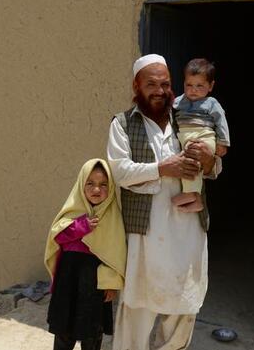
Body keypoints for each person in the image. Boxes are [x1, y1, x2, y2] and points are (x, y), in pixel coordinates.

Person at [107, 54, 220, 350]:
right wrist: (161, 168)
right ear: (136, 85)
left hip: (187, 231)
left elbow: (214, 167)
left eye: (165, 84)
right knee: (138, 307)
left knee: (183, 306)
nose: (159, 90)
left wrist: (209, 161)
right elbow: (119, 172)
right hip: (145, 233)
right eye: (151, 84)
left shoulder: (186, 115)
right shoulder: (122, 124)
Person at [45, 159, 127, 350]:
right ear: (81, 185)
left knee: (92, 332)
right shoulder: (72, 212)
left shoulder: (112, 217)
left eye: (103, 185)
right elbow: (57, 237)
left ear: (111, 188)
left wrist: (112, 284)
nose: (96, 190)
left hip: (95, 283)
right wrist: (81, 226)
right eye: (90, 183)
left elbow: (117, 253)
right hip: (69, 280)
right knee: (64, 330)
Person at [174, 58, 230, 194]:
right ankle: (192, 196)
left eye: (200, 86)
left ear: (210, 86)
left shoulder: (211, 103)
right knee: (185, 163)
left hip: (203, 137)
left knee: (191, 163)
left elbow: (221, 122)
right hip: (186, 137)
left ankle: (191, 195)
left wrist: (222, 142)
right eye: (189, 85)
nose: (193, 90)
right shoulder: (178, 101)